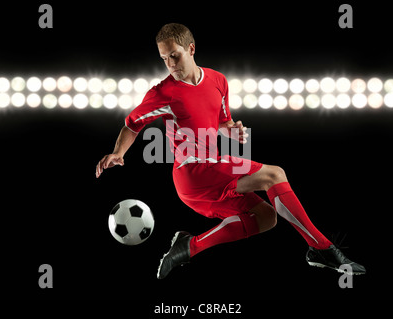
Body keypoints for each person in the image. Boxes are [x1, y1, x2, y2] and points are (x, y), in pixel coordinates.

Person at [95, 23, 366, 279]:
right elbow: (132, 125)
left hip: (213, 168)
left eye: (174, 56)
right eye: (164, 59)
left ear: (191, 49)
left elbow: (223, 122)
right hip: (192, 171)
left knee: (265, 217)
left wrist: (232, 130)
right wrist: (118, 152)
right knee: (275, 174)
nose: (170, 64)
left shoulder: (218, 81)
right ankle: (322, 248)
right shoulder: (163, 93)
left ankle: (190, 247)